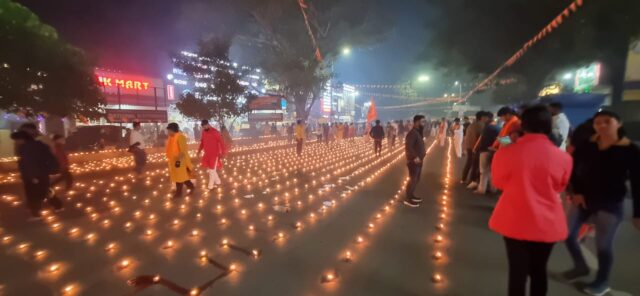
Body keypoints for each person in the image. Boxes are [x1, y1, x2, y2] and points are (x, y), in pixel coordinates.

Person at [489, 105, 573, 296]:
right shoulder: (563, 157)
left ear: (523, 123)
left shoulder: (508, 150)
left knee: (517, 272)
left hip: (514, 219)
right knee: (538, 270)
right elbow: (560, 186)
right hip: (547, 221)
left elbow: (499, 182)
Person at [563, 110, 640, 295]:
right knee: (568, 235)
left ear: (618, 123)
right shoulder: (588, 144)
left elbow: (638, 183)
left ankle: (602, 281)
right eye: (598, 122)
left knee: (604, 245)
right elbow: (573, 168)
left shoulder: (629, 149)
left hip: (610, 203)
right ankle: (581, 266)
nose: (602, 125)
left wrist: (638, 213)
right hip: (583, 199)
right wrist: (577, 191)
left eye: (607, 121)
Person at [11, 131, 63, 220]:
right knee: (45, 190)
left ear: (22, 139)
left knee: (32, 195)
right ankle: (58, 206)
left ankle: (36, 214)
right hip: (43, 173)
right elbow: (50, 158)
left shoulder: (25, 148)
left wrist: (31, 177)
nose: (16, 142)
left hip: (33, 175)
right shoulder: (41, 146)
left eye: (16, 140)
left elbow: (28, 163)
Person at [470, 112, 500, 194]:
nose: (482, 119)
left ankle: (481, 189)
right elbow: (503, 139)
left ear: (488, 118)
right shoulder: (498, 127)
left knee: (483, 171)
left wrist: (477, 149)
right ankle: (493, 188)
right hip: (493, 151)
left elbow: (482, 140)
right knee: (490, 171)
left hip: (485, 151)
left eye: (483, 118)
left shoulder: (488, 127)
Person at [165, 123, 195, 198]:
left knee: (180, 177)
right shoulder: (171, 138)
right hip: (174, 161)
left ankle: (178, 193)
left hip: (180, 161)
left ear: (172, 130)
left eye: (169, 131)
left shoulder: (180, 137)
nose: (168, 132)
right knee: (182, 177)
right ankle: (191, 187)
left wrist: (178, 162)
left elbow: (183, 151)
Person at [404, 115, 427, 208]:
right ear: (417, 122)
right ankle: (408, 199)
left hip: (419, 160)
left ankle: (411, 195)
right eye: (422, 121)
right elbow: (408, 147)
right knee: (413, 179)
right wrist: (415, 157)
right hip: (414, 161)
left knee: (416, 179)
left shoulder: (418, 132)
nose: (424, 123)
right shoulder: (412, 133)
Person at [198, 120, 227, 190]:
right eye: (203, 126)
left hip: (215, 155)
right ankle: (218, 182)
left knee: (211, 170)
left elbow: (222, 142)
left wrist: (223, 153)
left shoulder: (215, 132)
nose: (205, 127)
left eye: (206, 125)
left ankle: (210, 187)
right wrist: (199, 151)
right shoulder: (203, 132)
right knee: (212, 170)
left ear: (208, 124)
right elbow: (202, 142)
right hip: (207, 154)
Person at [461, 111, 485, 184]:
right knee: (475, 164)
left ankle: (464, 178)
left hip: (469, 146)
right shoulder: (481, 125)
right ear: (483, 118)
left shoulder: (472, 125)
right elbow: (481, 137)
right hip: (475, 147)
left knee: (470, 162)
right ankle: (473, 181)